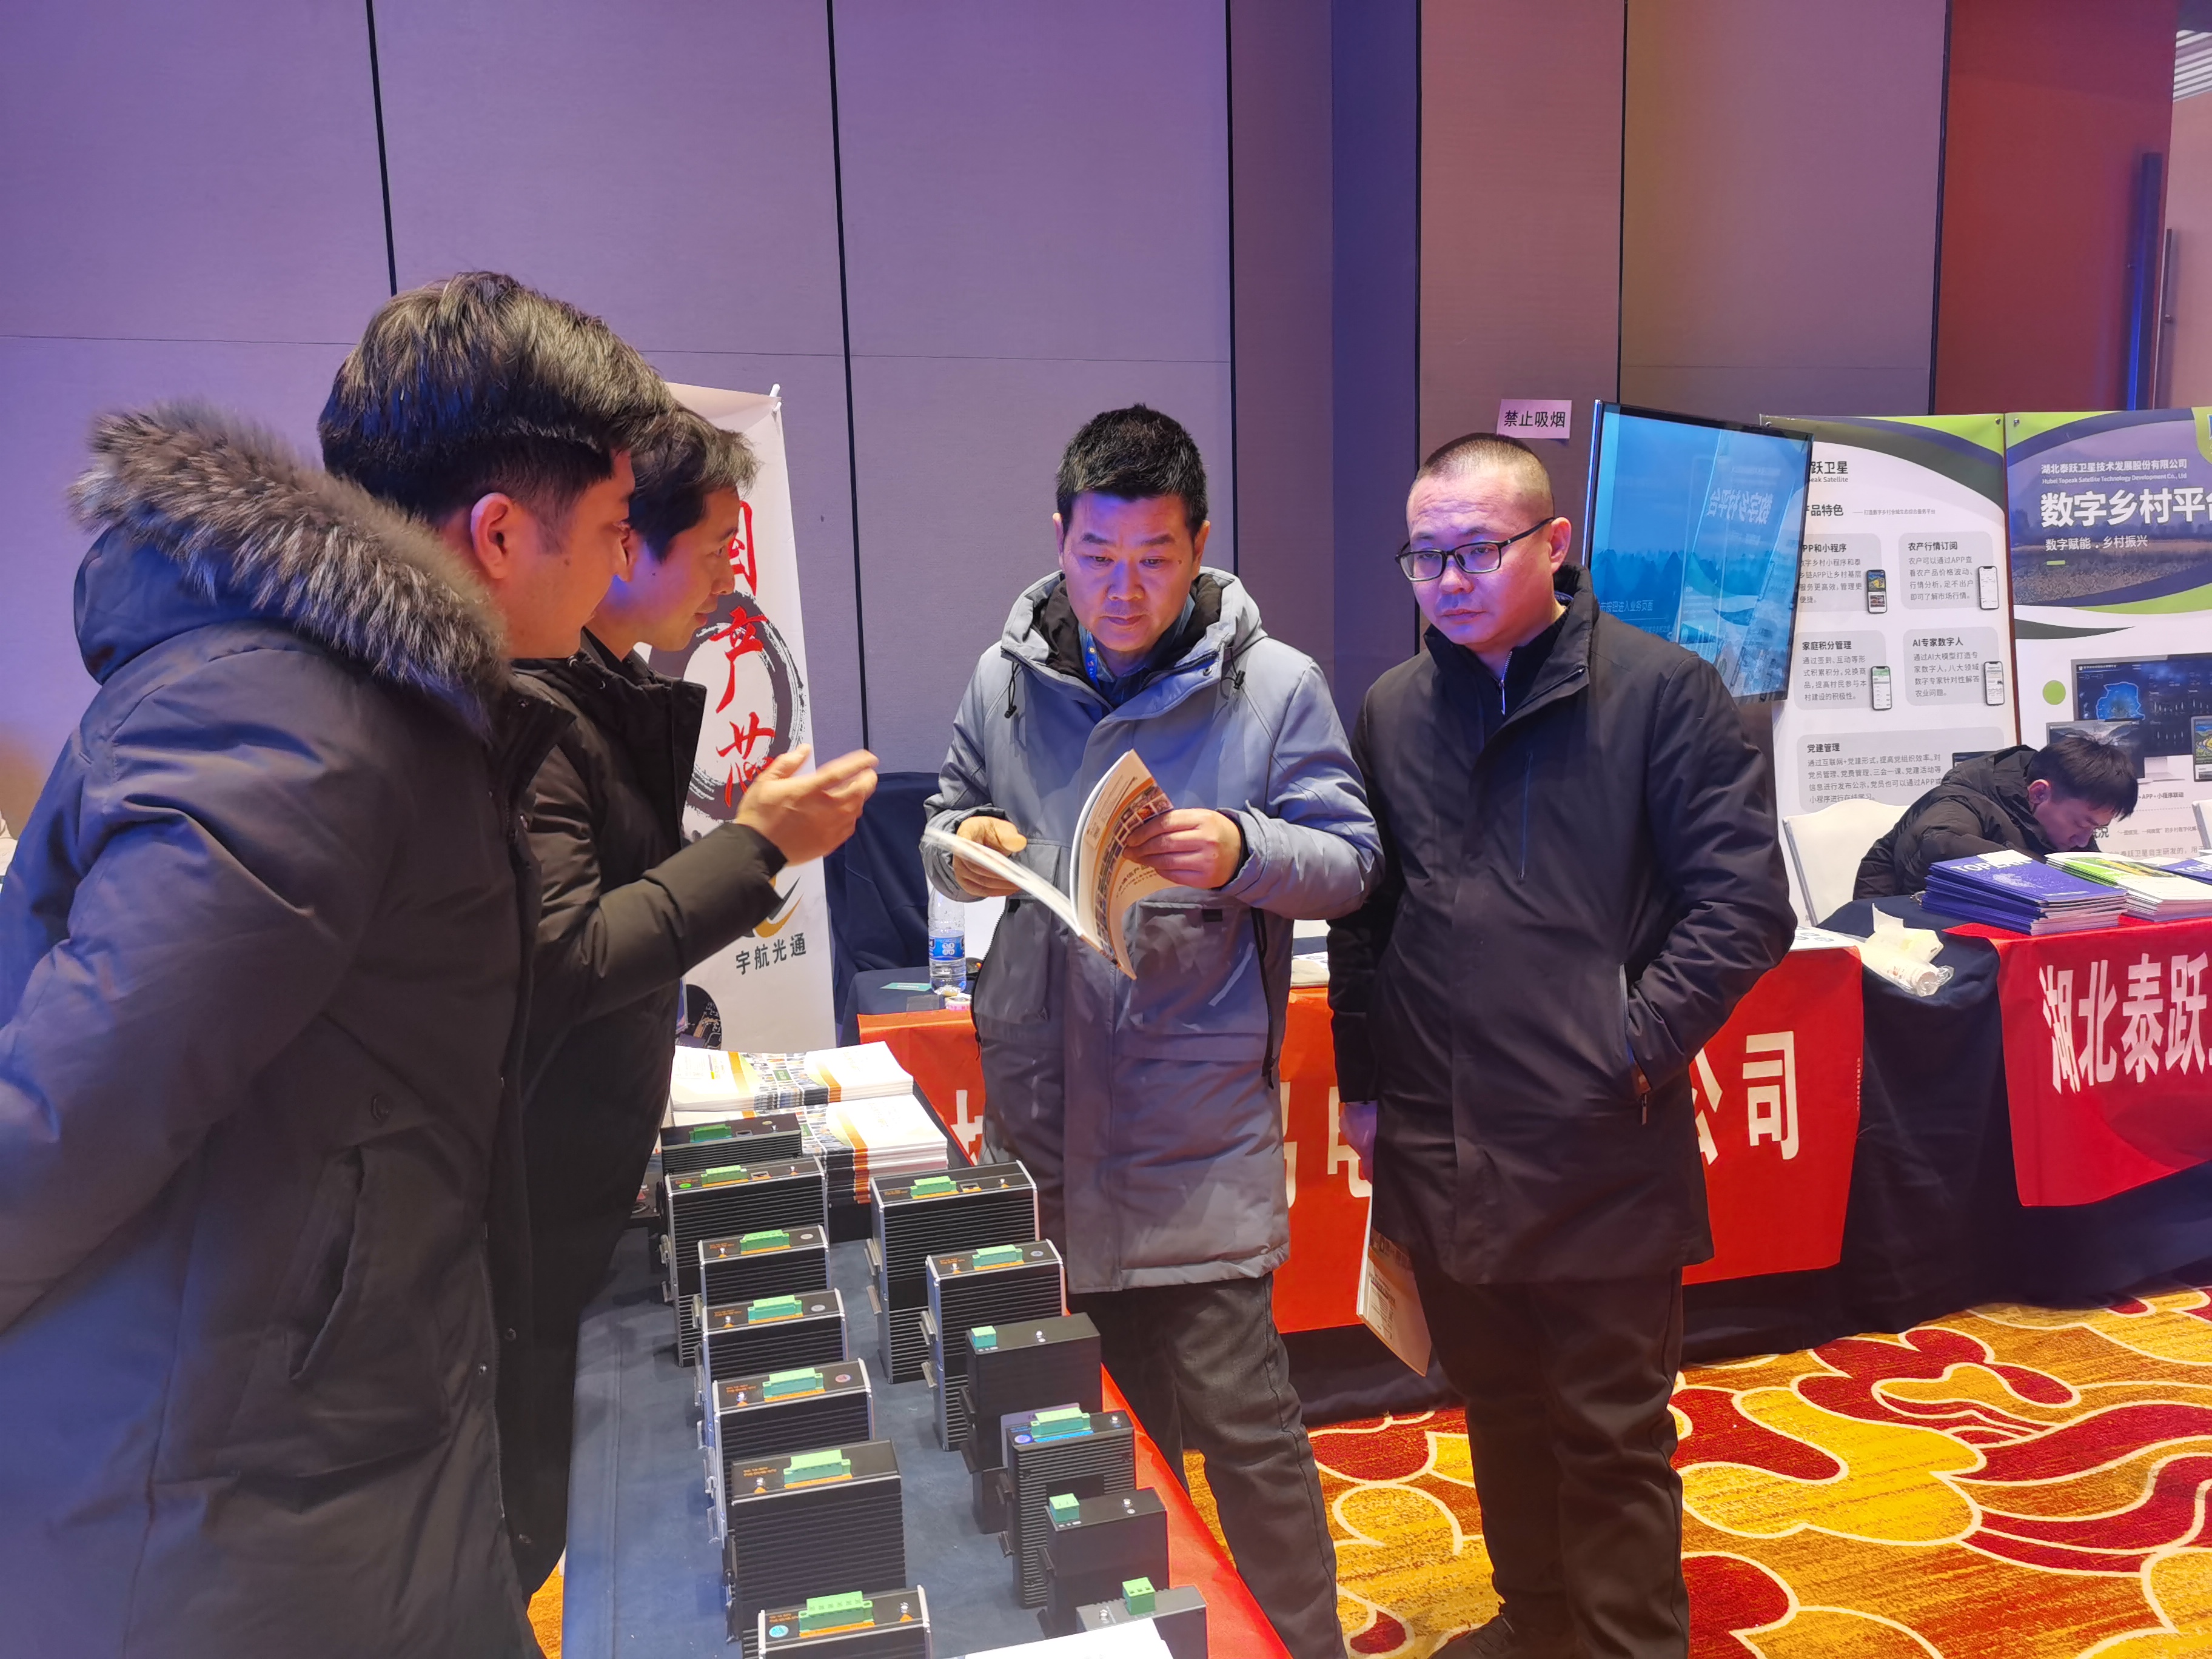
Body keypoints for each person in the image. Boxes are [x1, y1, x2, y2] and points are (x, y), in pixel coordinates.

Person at [0, 270, 671, 1658]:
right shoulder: (304, 734)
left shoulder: (382, 708)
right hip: (217, 1509)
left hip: (342, 1446)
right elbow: (56, 1124)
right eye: (613, 528)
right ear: (502, 530)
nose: (622, 569)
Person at [1329, 432, 1795, 1659]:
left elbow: (1744, 907)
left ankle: (1628, 1643)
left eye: (1477, 551)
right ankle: (1534, 1622)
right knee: (1497, 1403)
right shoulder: (1394, 707)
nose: (1448, 580)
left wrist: (1626, 1047)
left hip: (1598, 1138)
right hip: (1440, 1133)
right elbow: (1366, 916)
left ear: (1554, 544)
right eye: (1425, 556)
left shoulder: (1660, 693)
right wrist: (1365, 1088)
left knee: (1609, 1428)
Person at [923, 406, 1378, 1659]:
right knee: (1093, 1443)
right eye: (1097, 556)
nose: (1121, 590)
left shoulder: (1274, 688)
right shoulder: (1003, 680)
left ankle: (1303, 1648)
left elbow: (1350, 861)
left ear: (1200, 546)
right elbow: (946, 819)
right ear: (1058, 539)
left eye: (1154, 559)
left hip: (1192, 1141)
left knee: (1250, 1441)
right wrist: (964, 851)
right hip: (1044, 1127)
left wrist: (1238, 848)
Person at [504, 407, 877, 1590]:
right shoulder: (536, 712)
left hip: (595, 1165)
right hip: (538, 1206)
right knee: (527, 1523)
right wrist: (756, 847)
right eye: (712, 549)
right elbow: (572, 953)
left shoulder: (611, 685)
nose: (727, 577)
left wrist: (754, 835)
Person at [1852, 732, 2137, 900]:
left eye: (2095, 829)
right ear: (2039, 793)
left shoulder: (2067, 826)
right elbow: (1940, 843)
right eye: (2081, 824)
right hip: (1901, 944)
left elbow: (2086, 876)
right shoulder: (1962, 799)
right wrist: (2049, 874)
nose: (2083, 840)